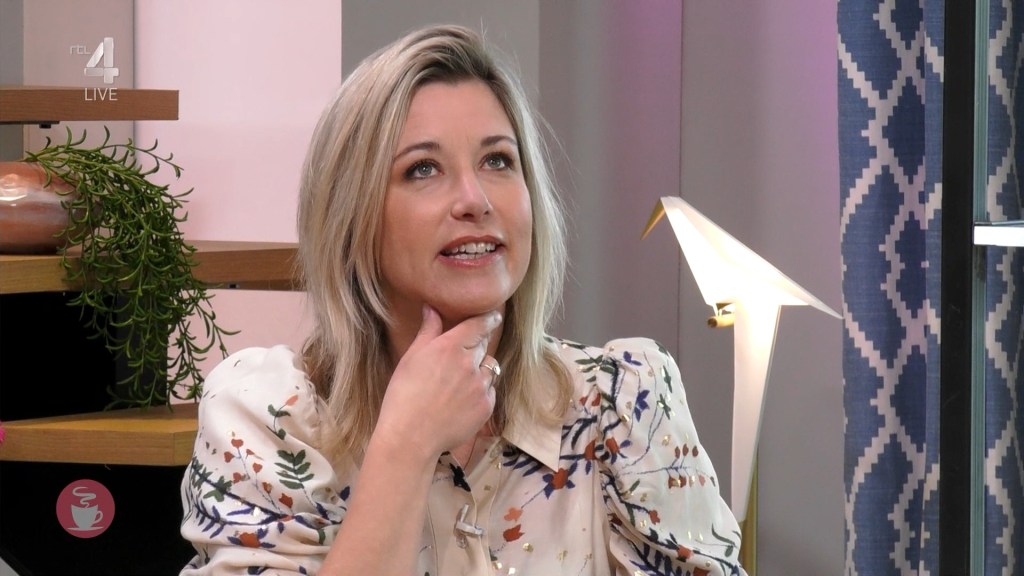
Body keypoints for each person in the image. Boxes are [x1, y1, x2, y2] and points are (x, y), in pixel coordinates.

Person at [179, 24, 746, 576]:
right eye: (423, 169)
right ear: (351, 217)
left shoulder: (624, 401)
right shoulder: (267, 420)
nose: (474, 199)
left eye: (498, 160)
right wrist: (406, 445)